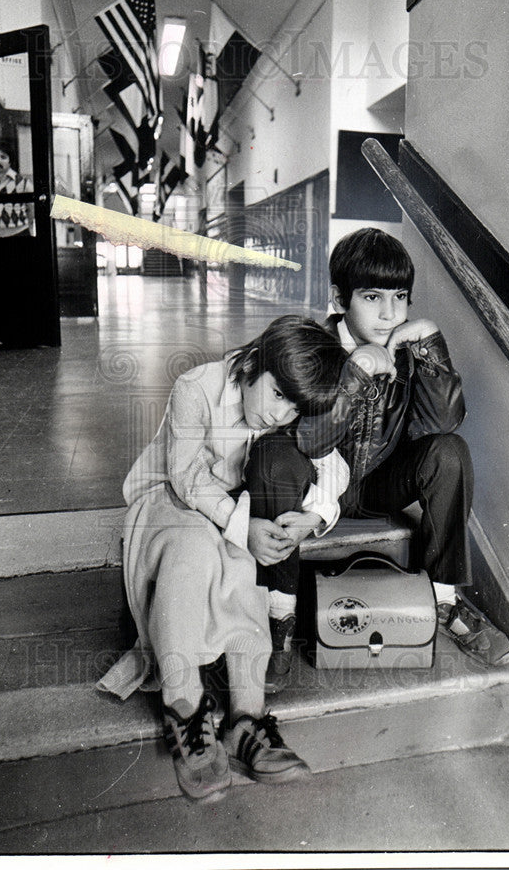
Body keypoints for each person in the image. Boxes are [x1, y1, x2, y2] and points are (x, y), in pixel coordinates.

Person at [96, 315, 349, 802]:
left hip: (231, 512)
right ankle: (185, 709)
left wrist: (314, 517)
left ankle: (246, 722)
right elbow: (186, 477)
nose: (280, 416)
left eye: (294, 409)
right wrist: (240, 526)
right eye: (277, 395)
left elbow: (332, 465)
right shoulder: (197, 387)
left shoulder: (290, 407)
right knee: (195, 553)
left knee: (238, 562)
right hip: (167, 502)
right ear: (256, 362)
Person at [297, 227, 509, 668]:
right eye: (372, 297)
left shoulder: (410, 350)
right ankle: (277, 612)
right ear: (340, 300)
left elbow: (441, 424)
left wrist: (431, 343)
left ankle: (446, 602)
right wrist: (356, 373)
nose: (389, 313)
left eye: (399, 297)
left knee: (450, 450)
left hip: (379, 485)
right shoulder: (311, 347)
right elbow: (309, 440)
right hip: (318, 486)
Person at [0, 141, 35, 237]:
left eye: (3, 157)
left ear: (10, 161)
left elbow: (33, 208)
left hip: (20, 235)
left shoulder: (22, 182)